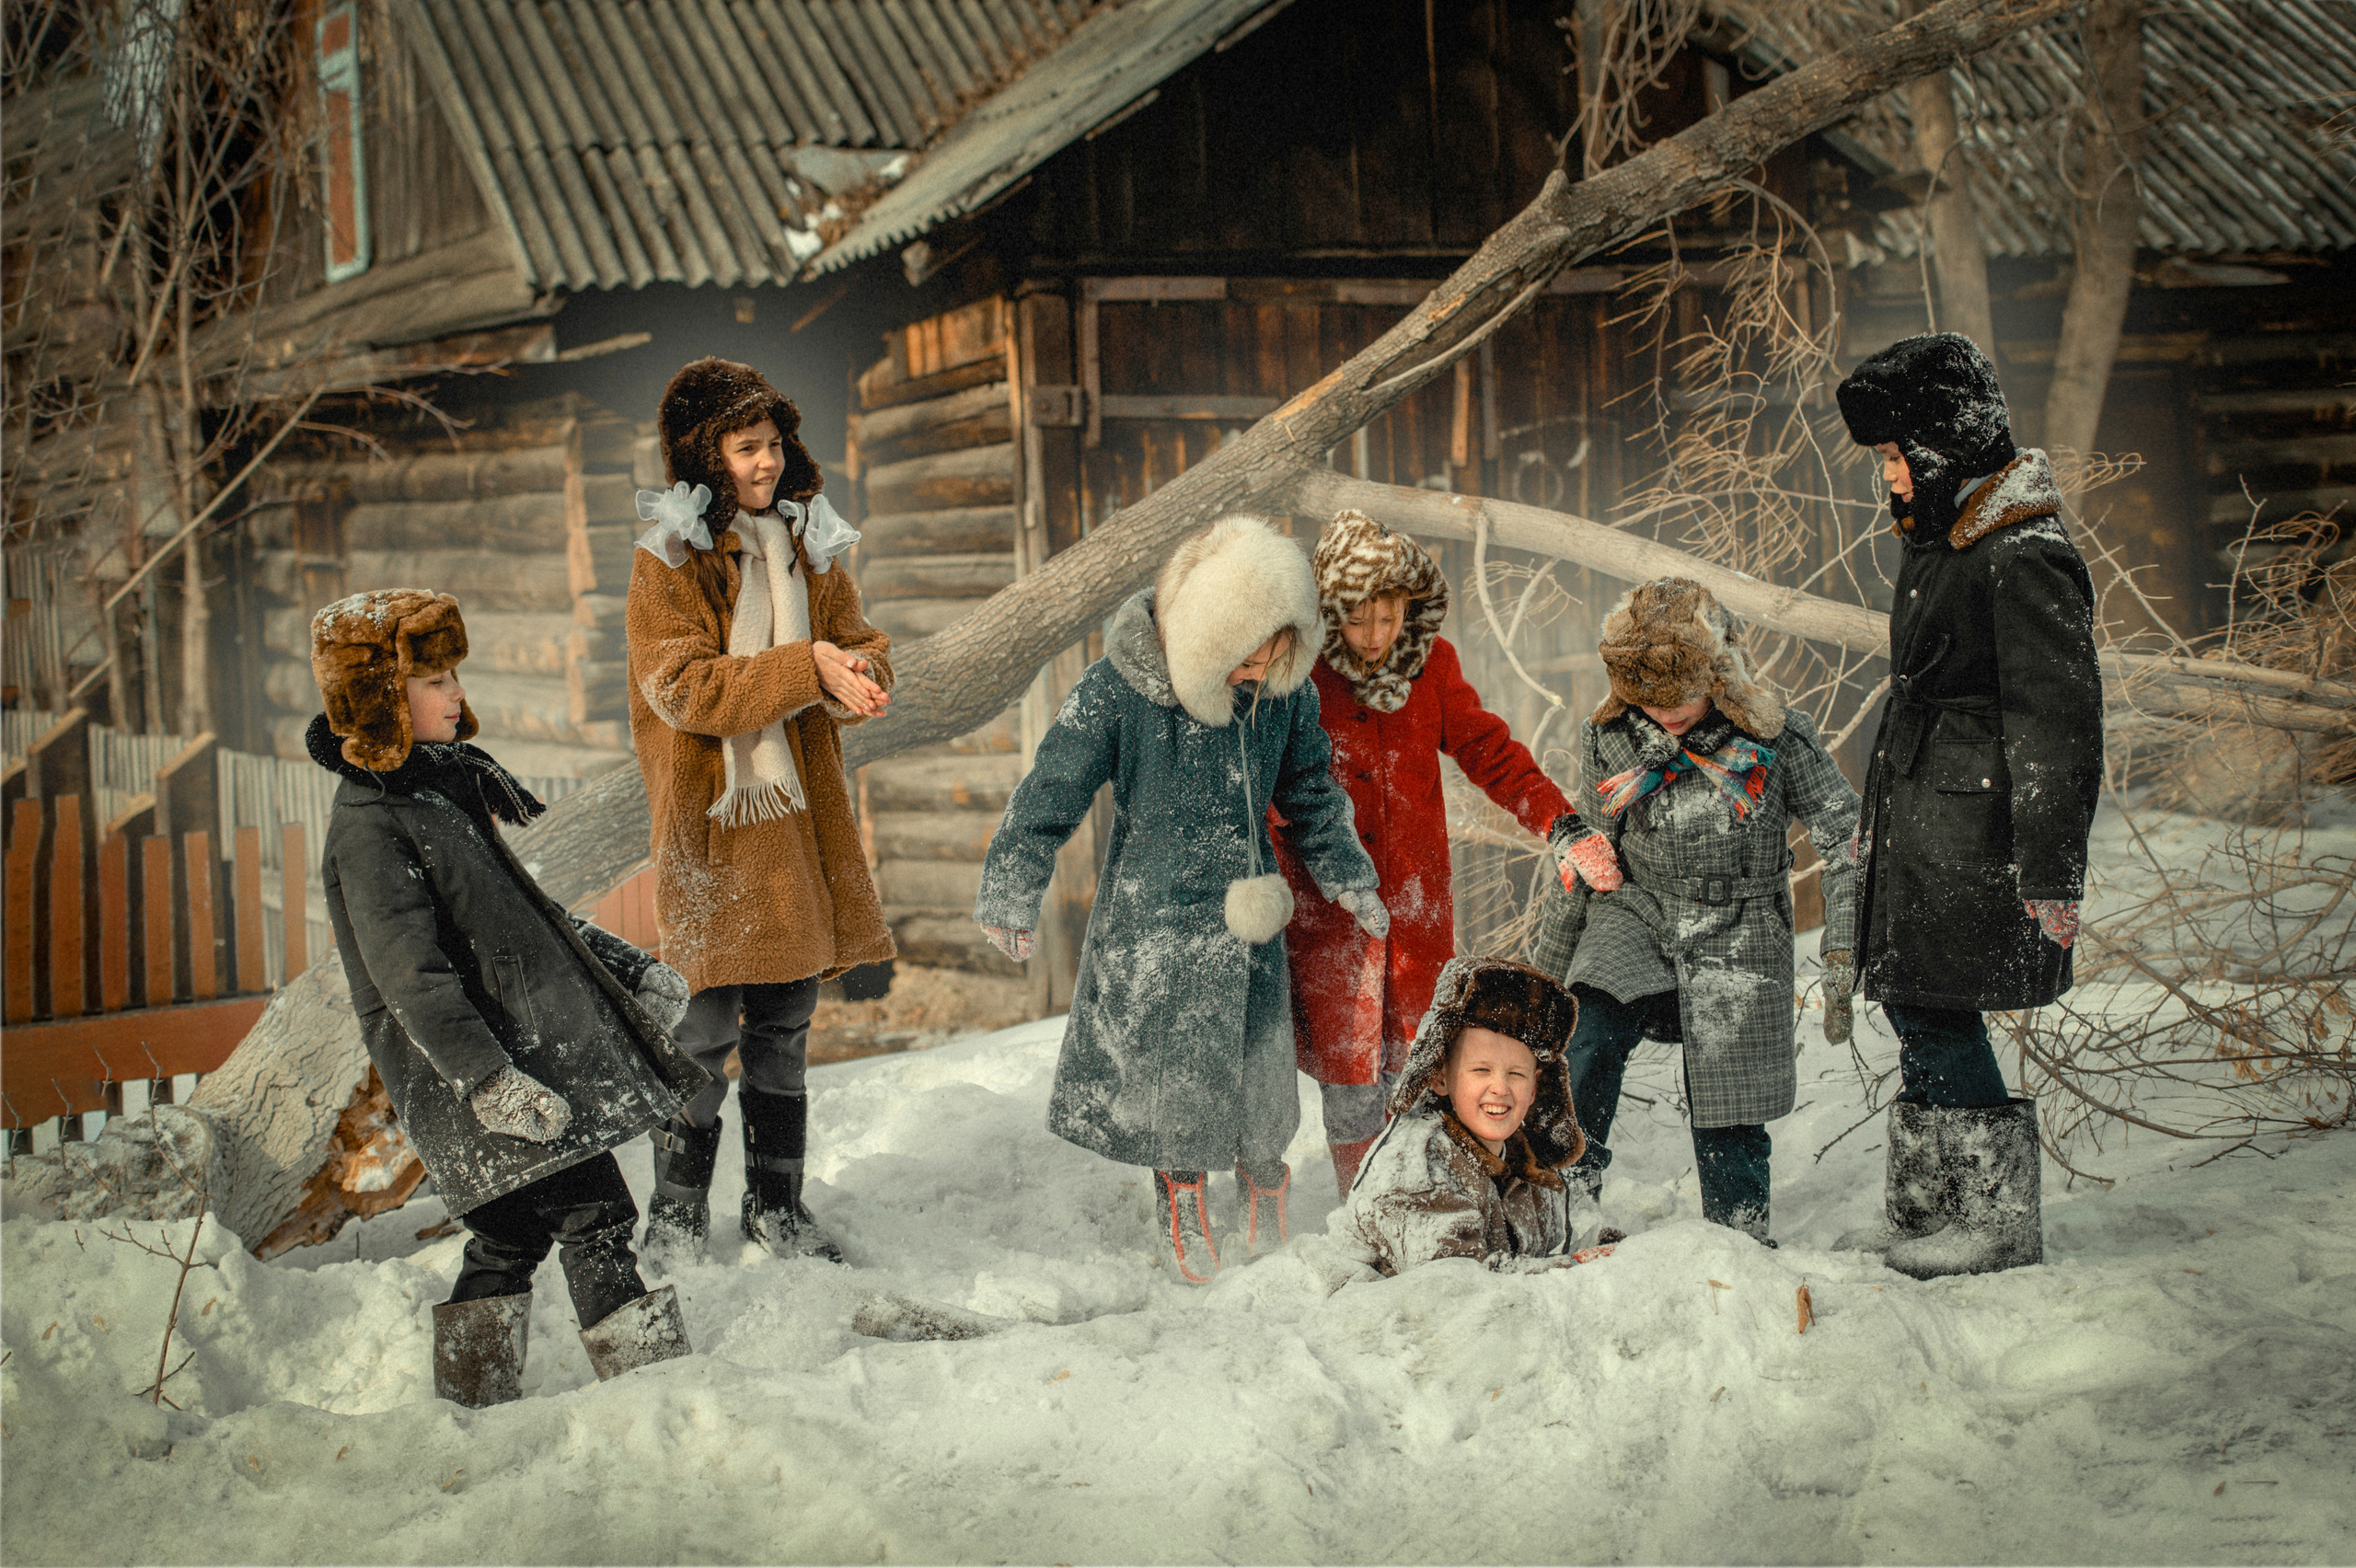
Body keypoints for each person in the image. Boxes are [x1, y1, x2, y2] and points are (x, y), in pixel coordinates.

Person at [310, 589, 707, 1407]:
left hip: (512, 1063)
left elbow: (528, 920)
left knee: (510, 1233)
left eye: (454, 675)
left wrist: (626, 969)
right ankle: (660, 1400)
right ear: (384, 697)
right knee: (594, 1218)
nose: (457, 694)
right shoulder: (370, 825)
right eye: (435, 680)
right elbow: (407, 977)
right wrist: (489, 1083)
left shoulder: (435, 792)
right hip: (479, 1076)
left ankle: (473, 1404)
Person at [973, 515, 1383, 1284]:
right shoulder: (1120, 690)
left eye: (1274, 652)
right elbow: (1050, 790)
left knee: (1261, 1071)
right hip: (1156, 918)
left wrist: (1347, 872)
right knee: (1176, 1081)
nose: (1258, 671)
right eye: (1245, 655)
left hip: (1251, 915)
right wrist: (1012, 885)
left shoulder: (1282, 698)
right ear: (1209, 630)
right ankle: (1182, 1194)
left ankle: (1266, 1178)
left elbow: (1310, 792)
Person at [1831, 332, 2102, 1279]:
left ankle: (1989, 1218)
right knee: (1914, 1004)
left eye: (1900, 456)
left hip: (1975, 826)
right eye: (1886, 462)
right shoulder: (1951, 539)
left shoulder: (2022, 556)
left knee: (1936, 1009)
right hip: (1922, 813)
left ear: (1946, 445)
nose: (1893, 479)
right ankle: (1926, 1210)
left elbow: (2056, 724)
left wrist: (2051, 869)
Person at [625, 357, 895, 1267]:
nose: (766, 463)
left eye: (773, 444)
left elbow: (854, 640)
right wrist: (805, 667)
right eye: (746, 448)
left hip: (794, 818)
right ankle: (674, 1216)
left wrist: (859, 674)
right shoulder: (672, 558)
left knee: (783, 1022)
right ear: (707, 455)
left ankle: (776, 1205)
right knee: (701, 1031)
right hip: (716, 820)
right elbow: (682, 687)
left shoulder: (805, 543)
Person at [1272, 511, 1619, 1201]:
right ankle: (1364, 1209)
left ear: (1410, 608)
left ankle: (1430, 1199)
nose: (1374, 638)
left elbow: (1487, 749)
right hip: (1329, 915)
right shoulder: (1299, 677)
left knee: (1422, 1065)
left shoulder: (1430, 666)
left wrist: (1561, 822)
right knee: (1350, 1080)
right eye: (1357, 620)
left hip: (1413, 908)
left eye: (1388, 618)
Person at [1530, 577, 1860, 1245]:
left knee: (1729, 1107)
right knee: (1586, 1031)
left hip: (1738, 926)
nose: (1667, 712)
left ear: (1721, 672)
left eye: (1682, 692)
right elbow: (1590, 861)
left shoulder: (1780, 740)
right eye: (1650, 698)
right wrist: (1541, 985)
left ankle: (1736, 1236)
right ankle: (1566, 1203)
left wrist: (1843, 948)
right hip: (1641, 911)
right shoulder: (1613, 738)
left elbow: (1847, 840)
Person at [1335, 957, 1614, 1276]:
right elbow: (1455, 1284)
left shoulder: (1531, 1169)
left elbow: (1538, 1257)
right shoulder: (1417, 1166)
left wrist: (1593, 1252)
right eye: (1481, 1070)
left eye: (1517, 1074)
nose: (1500, 1088)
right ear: (1440, 1077)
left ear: (1536, 1087)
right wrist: (1570, 1269)